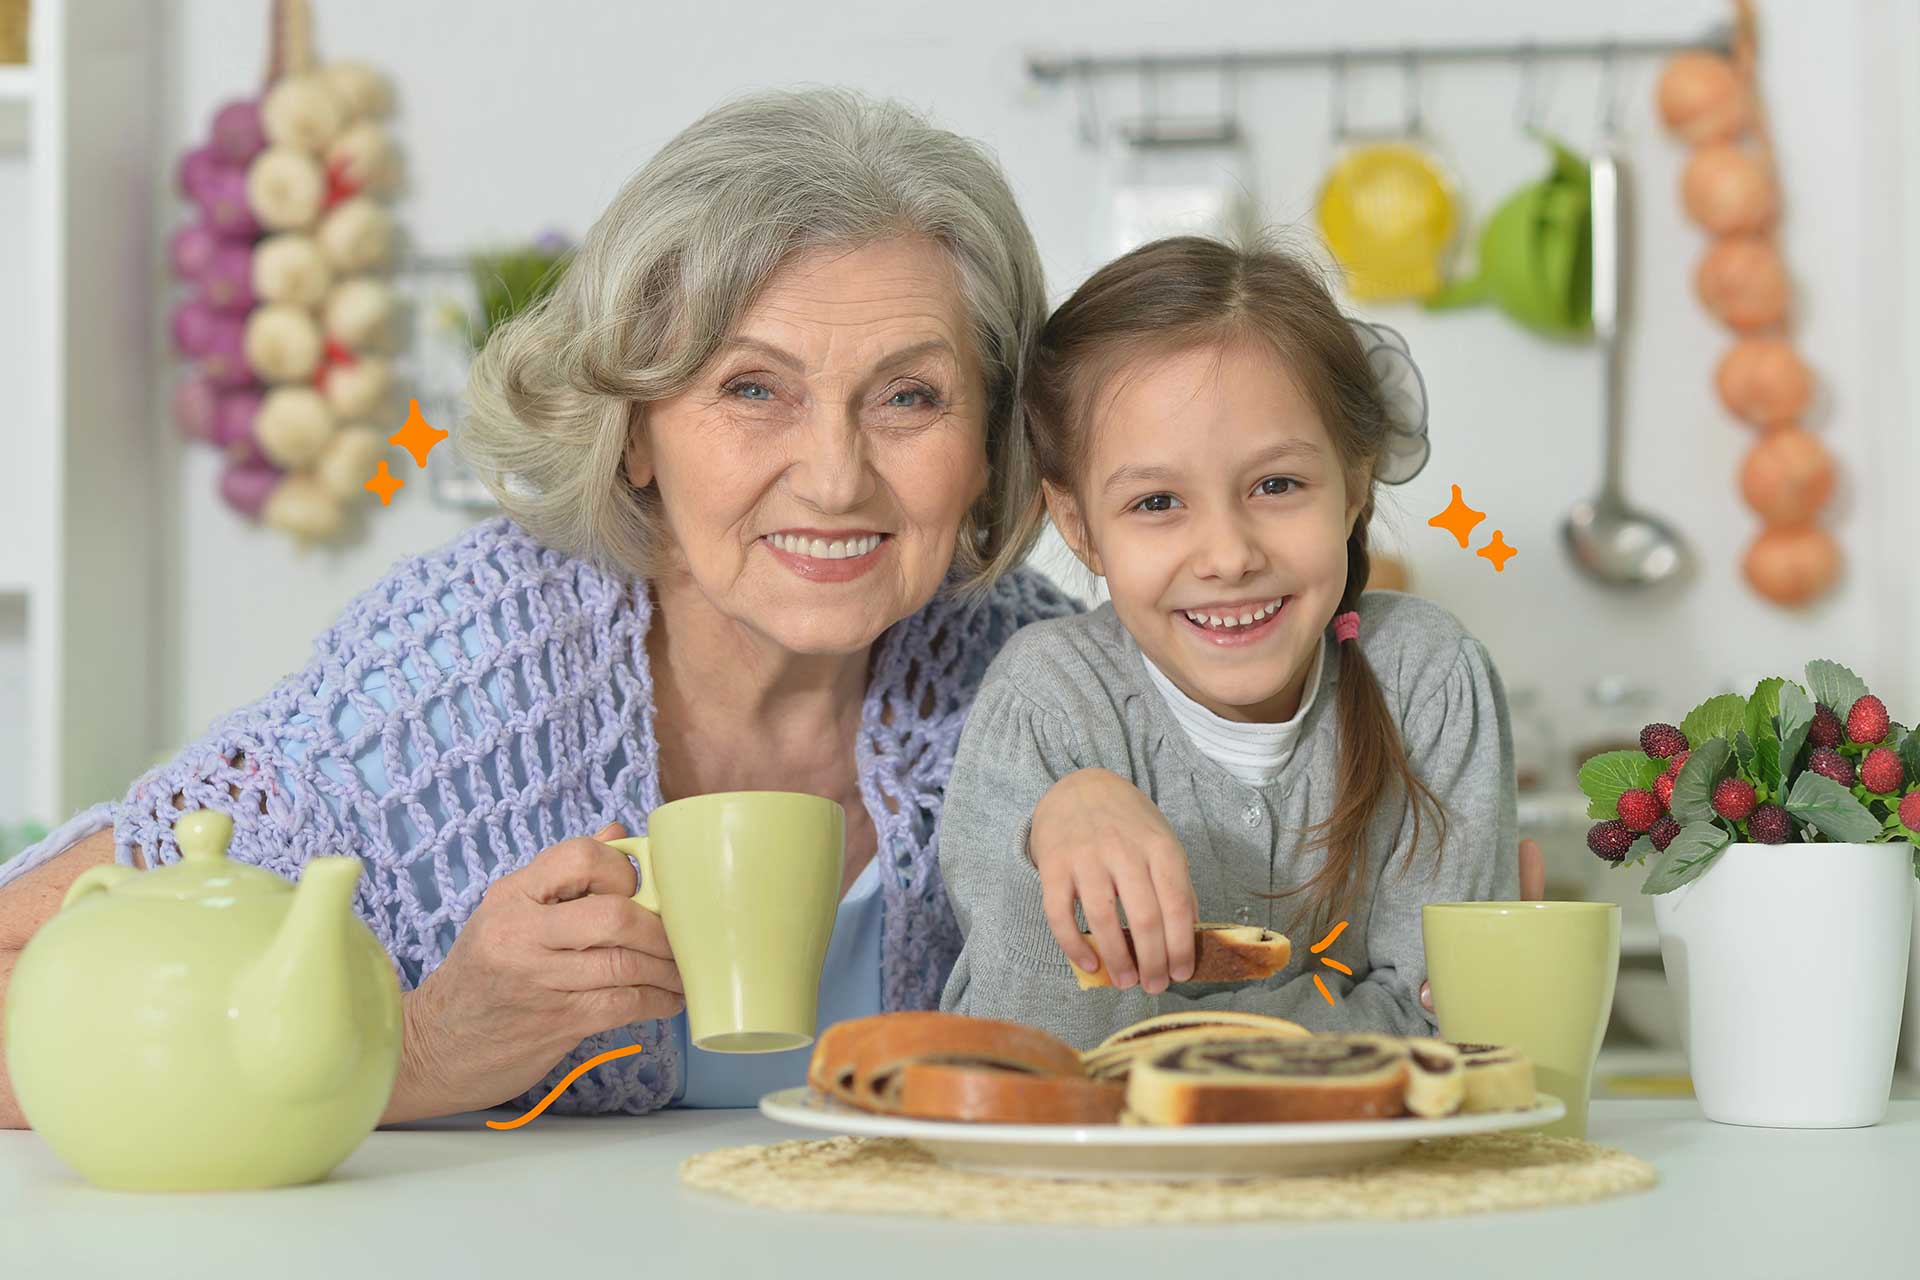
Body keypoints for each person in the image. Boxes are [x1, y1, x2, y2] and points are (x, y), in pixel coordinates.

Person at [0, 87, 1075, 1126]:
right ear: (637, 426)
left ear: (988, 445)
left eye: (910, 396)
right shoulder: (456, 676)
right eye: (753, 387)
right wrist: (413, 1050)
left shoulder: (1051, 681)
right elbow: (27, 986)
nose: (836, 476)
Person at [939, 235, 1520, 1047]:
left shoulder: (1427, 678)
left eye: (1276, 485)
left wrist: (1181, 1048)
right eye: (1156, 503)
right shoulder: (1046, 704)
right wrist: (1052, 824)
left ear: (1354, 484)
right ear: (1077, 526)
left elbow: (1447, 1016)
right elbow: (1028, 1042)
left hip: (1346, 1169)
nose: (1229, 556)